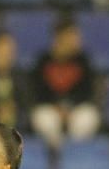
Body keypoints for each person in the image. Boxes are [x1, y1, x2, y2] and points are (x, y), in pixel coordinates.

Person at [30, 20, 100, 149]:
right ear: (60, 37)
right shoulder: (43, 61)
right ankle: (54, 156)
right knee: (44, 119)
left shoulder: (83, 60)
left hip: (76, 110)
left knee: (88, 117)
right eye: (72, 36)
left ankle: (74, 155)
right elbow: (37, 93)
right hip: (50, 110)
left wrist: (70, 109)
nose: (77, 40)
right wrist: (56, 108)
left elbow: (88, 92)